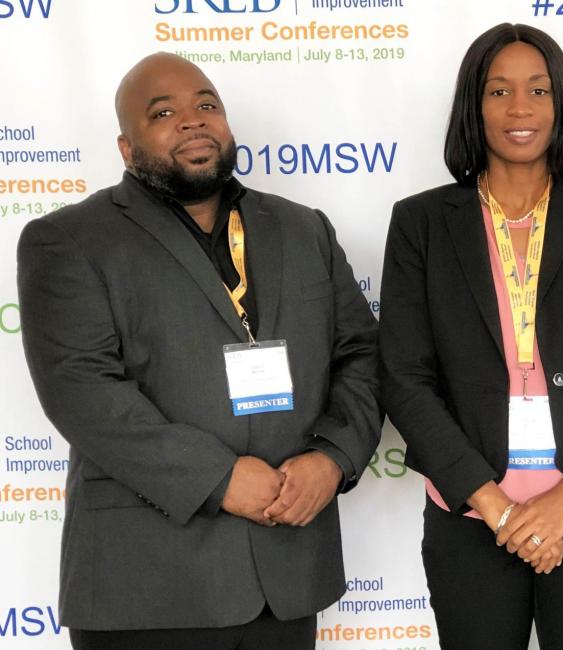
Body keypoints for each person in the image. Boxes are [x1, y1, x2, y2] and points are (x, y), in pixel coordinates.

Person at [17, 53, 382, 649]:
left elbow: (361, 355)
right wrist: (216, 478)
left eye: (206, 105)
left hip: (286, 573)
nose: (193, 121)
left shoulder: (303, 228)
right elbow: (81, 389)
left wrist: (332, 458)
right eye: (163, 112)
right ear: (126, 148)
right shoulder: (69, 240)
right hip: (147, 587)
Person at [379, 23, 563, 649]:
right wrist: (494, 505)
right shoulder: (421, 223)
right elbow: (404, 377)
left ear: (559, 105)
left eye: (538, 91)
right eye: (498, 91)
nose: (520, 109)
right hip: (471, 515)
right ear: (472, 106)